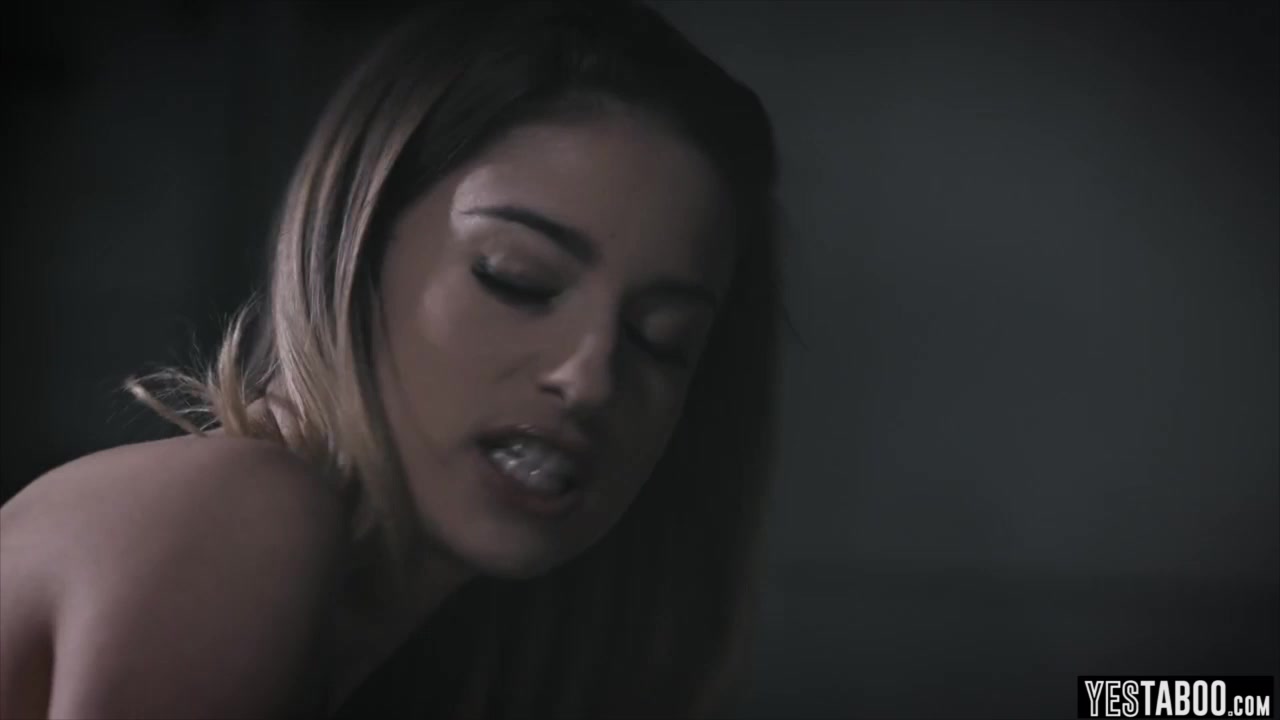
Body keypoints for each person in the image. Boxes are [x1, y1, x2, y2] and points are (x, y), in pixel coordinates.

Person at [0, 1, 783, 717]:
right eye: (516, 278)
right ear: (357, 245)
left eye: (663, 339)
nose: (589, 379)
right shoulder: (238, 513)